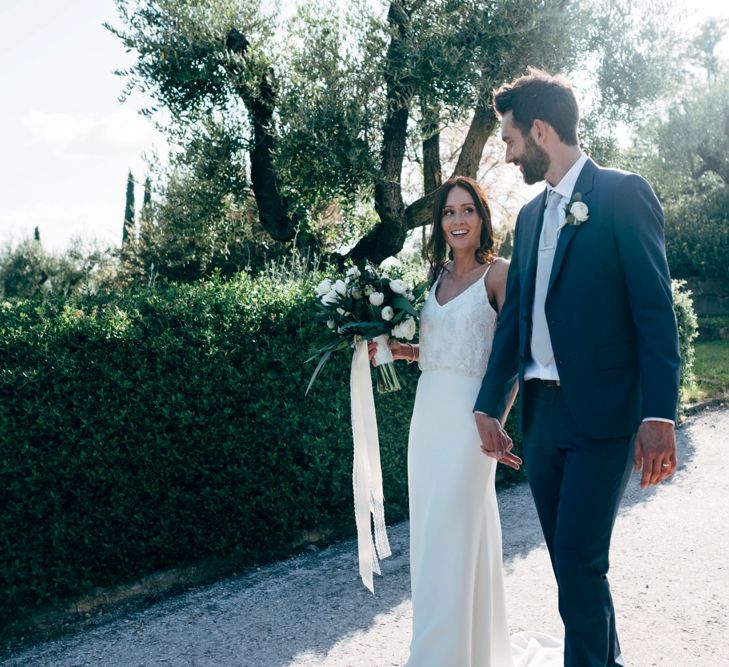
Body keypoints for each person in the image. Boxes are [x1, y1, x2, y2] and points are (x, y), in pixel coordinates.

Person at [474, 69, 681, 667]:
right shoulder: (531, 216)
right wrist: (490, 405)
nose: (510, 156)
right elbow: (513, 325)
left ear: (540, 130)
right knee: (571, 564)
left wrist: (658, 414)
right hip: (543, 418)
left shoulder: (622, 194)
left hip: (604, 417)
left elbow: (653, 313)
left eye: (512, 141)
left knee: (581, 560)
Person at [370, 176, 548, 666]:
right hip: (428, 415)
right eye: (449, 213)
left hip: (474, 420)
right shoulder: (435, 278)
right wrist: (391, 349)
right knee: (433, 532)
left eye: (467, 210)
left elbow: (511, 351)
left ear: (483, 218)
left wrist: (497, 416)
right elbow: (436, 350)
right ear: (439, 222)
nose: (458, 220)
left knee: (454, 524)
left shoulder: (499, 274)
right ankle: (473, 650)